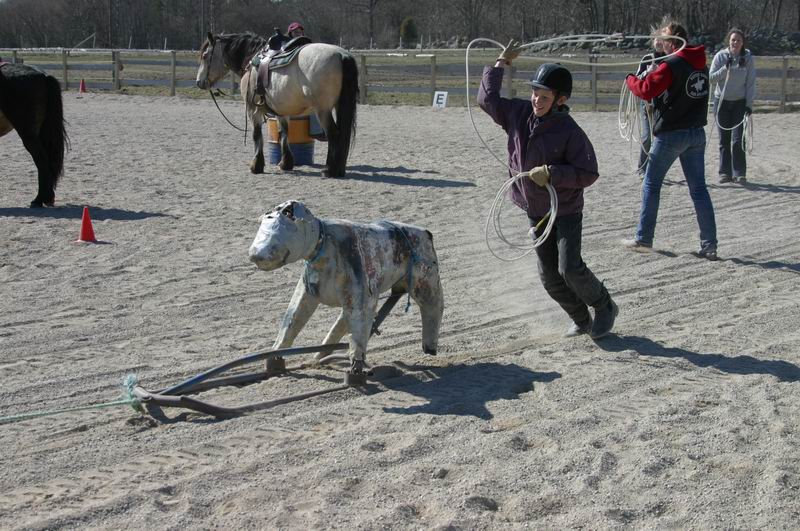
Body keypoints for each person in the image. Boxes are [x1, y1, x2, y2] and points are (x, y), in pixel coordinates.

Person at [477, 41, 618, 340]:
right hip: (536, 210)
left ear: (560, 100)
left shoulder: (570, 131)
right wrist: (500, 63)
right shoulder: (518, 114)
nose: (536, 100)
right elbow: (487, 100)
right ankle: (581, 319)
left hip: (565, 211)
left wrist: (552, 173)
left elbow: (588, 173)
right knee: (549, 277)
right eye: (534, 93)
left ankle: (604, 306)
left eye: (544, 96)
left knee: (570, 268)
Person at [623, 22, 718, 261]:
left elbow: (646, 89)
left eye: (664, 38)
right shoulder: (701, 64)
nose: (661, 42)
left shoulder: (671, 65)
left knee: (651, 184)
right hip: (696, 133)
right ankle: (709, 245)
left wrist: (630, 79)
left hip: (672, 134)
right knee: (699, 190)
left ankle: (644, 238)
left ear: (673, 42)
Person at [709, 28, 756, 184]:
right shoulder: (720, 56)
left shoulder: (748, 58)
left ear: (743, 43)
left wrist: (749, 105)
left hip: (739, 103)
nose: (735, 43)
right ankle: (724, 172)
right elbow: (711, 78)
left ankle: (739, 172)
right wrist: (725, 69)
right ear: (728, 41)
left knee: (738, 139)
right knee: (724, 140)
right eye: (733, 40)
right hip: (722, 102)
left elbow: (751, 83)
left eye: (738, 40)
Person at [634, 26, 667, 177]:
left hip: (664, 103)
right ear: (653, 41)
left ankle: (655, 169)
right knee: (647, 137)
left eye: (662, 39)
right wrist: (648, 72)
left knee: (660, 138)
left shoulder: (669, 59)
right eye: (656, 39)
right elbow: (637, 78)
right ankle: (642, 167)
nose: (659, 42)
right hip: (647, 104)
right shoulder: (647, 59)